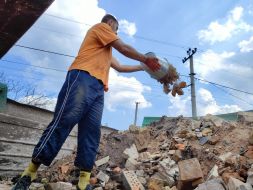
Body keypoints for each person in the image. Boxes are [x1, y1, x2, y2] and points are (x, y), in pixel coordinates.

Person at [12, 14, 160, 190]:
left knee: (91, 131)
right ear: (111, 23)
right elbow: (123, 47)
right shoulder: (101, 28)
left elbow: (120, 66)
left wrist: (144, 67)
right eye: (117, 29)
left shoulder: (105, 48)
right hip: (82, 76)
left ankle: (83, 183)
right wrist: (145, 59)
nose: (116, 33)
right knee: (65, 120)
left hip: (98, 88)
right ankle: (28, 174)